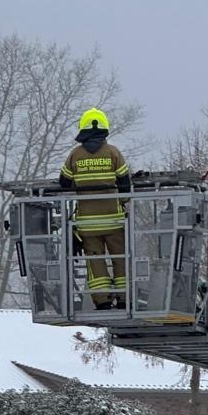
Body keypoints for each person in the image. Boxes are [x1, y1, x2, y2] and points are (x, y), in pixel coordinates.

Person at [59, 108, 131, 310]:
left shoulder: (75, 155)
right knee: (120, 257)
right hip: (114, 220)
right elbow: (125, 183)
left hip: (87, 222)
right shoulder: (113, 153)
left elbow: (64, 182)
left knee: (95, 261)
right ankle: (124, 300)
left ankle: (103, 301)